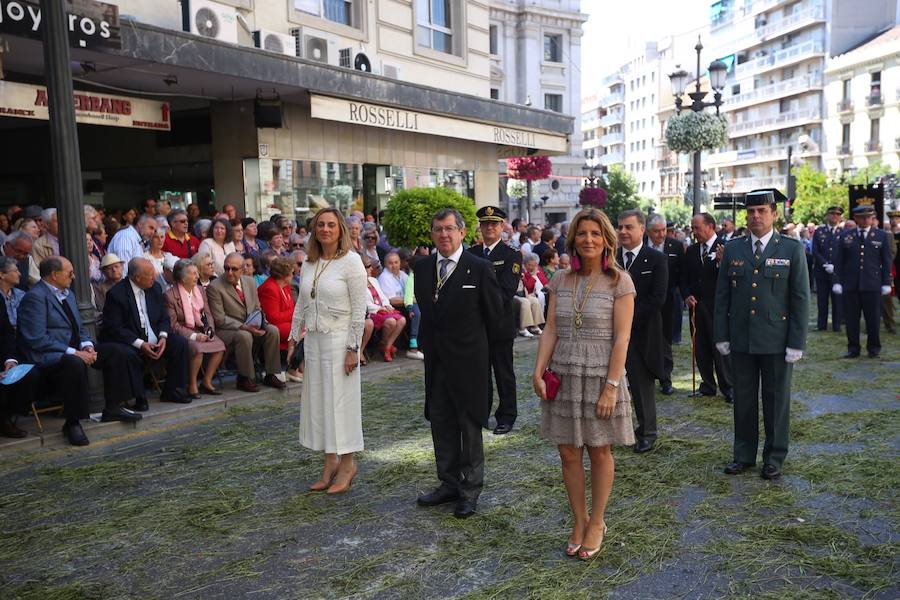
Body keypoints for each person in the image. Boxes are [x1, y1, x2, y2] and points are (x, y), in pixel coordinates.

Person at [532, 208, 636, 559]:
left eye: (595, 233)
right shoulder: (560, 280)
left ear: (606, 239)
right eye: (581, 233)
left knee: (600, 449)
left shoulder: (620, 281)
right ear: (572, 239)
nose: (588, 239)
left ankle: (598, 521)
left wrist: (611, 386)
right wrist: (538, 369)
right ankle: (579, 519)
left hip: (600, 374)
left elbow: (622, 339)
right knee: (567, 451)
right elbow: (551, 329)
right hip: (564, 372)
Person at [714, 188, 810, 480]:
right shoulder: (733, 248)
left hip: (776, 340)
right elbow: (722, 297)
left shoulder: (791, 249)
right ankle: (743, 455)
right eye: (751, 212)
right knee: (743, 399)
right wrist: (722, 334)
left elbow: (800, 299)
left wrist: (796, 342)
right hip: (741, 338)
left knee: (776, 400)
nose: (756, 216)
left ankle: (774, 457)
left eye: (762, 211)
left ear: (774, 214)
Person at [414, 208, 503, 519]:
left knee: (470, 426)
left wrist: (491, 363)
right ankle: (449, 483)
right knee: (441, 422)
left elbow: (495, 320)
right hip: (437, 364)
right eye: (438, 229)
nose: (444, 234)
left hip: (470, 365)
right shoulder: (423, 267)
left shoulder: (479, 268)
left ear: (463, 233)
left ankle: (470, 490)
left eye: (450, 228)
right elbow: (426, 314)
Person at [18, 257, 141, 445]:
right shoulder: (34, 297)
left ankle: (113, 407)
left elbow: (80, 326)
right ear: (54, 275)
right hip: (49, 355)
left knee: (118, 351)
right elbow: (36, 338)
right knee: (74, 363)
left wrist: (87, 345)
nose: (73, 276)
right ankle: (73, 422)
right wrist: (74, 352)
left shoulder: (68, 294)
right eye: (69, 272)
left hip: (74, 349)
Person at [287, 207, 367, 494]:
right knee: (320, 403)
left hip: (340, 340)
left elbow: (360, 309)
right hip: (316, 341)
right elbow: (302, 302)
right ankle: (329, 462)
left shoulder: (352, 261)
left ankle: (348, 464)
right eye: (320, 224)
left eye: (331, 225)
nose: (325, 229)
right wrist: (293, 338)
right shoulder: (310, 262)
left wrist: (352, 348)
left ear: (341, 228)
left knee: (341, 404)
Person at [100, 258, 190, 408]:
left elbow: (163, 317)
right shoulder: (116, 294)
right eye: (150, 275)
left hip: (154, 335)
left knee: (180, 344)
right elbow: (115, 328)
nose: (155, 278)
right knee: (129, 353)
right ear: (137, 277)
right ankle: (138, 395)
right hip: (131, 339)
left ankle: (171, 390)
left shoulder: (154, 288)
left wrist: (163, 336)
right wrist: (140, 344)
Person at [467, 206, 522, 434]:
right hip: (477, 326)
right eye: (485, 223)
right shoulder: (471, 254)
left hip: (499, 324)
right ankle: (481, 414)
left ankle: (506, 416)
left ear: (501, 227)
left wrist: (478, 299)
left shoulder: (511, 255)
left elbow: (507, 291)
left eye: (494, 224)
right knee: (479, 374)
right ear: (480, 227)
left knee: (503, 373)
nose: (489, 227)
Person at [616, 209, 667, 453]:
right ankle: (619, 429)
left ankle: (647, 431)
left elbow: (657, 298)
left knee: (641, 382)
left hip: (643, 332)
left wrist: (627, 319)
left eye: (629, 227)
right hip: (612, 333)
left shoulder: (655, 258)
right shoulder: (610, 258)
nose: (623, 232)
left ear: (641, 230)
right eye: (620, 227)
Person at [206, 253, 286, 393]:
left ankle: (271, 374)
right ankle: (245, 378)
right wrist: (245, 327)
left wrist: (261, 323)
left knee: (272, 330)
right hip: (227, 329)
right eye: (226, 268)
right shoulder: (215, 287)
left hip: (250, 324)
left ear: (243, 270)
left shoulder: (249, 281)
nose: (229, 272)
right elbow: (220, 318)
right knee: (244, 335)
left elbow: (256, 307)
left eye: (234, 269)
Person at [680, 213, 734, 402]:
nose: (694, 232)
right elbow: (684, 278)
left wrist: (722, 262)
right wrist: (686, 295)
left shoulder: (727, 247)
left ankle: (728, 387)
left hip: (717, 307)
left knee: (720, 348)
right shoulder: (693, 250)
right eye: (692, 228)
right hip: (697, 307)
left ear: (710, 226)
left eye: (697, 228)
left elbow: (733, 278)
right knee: (700, 347)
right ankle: (707, 385)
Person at [832, 205, 893, 358]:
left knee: (873, 319)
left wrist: (886, 282)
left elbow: (886, 262)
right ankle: (853, 348)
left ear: (872, 218)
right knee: (852, 319)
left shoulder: (881, 235)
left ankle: (873, 348)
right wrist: (837, 281)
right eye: (862, 217)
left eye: (868, 217)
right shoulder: (846, 235)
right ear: (856, 218)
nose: (865, 220)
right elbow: (838, 261)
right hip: (850, 284)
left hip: (872, 284)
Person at [164, 259, 226, 398]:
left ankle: (206, 381)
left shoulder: (199, 290)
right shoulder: (170, 296)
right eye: (193, 274)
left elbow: (208, 313)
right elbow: (173, 325)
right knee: (197, 348)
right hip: (184, 332)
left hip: (201, 328)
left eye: (197, 273)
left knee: (219, 345)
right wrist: (194, 336)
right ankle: (192, 385)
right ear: (182, 277)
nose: (197, 276)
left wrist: (209, 329)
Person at [646, 214, 683, 395]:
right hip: (644, 300)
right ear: (647, 231)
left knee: (665, 340)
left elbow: (682, 273)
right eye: (656, 231)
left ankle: (665, 378)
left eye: (663, 230)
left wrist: (686, 294)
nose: (661, 234)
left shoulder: (675, 246)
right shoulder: (641, 245)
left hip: (668, 300)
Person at [362, 258, 407, 362]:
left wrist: (387, 305)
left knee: (402, 320)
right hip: (372, 312)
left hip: (382, 309)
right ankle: (385, 345)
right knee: (391, 321)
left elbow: (383, 296)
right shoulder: (358, 284)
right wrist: (379, 308)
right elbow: (365, 304)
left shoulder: (373, 280)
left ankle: (387, 345)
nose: (371, 268)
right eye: (368, 266)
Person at [812, 206, 844, 332]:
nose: (834, 217)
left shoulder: (843, 233)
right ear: (827, 216)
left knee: (837, 300)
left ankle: (837, 325)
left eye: (837, 214)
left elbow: (844, 253)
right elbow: (815, 250)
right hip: (822, 271)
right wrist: (825, 264)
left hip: (837, 272)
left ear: (840, 217)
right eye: (832, 214)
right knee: (822, 300)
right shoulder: (819, 231)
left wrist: (835, 266)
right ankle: (822, 325)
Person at [258, 256, 296, 356]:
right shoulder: (270, 288)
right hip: (272, 326)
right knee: (301, 331)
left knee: (307, 327)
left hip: (285, 322)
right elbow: (273, 318)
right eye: (292, 273)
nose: (293, 275)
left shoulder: (285, 285)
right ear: (284, 275)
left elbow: (290, 307)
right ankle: (294, 366)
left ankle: (298, 366)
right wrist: (294, 313)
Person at [92, 253, 125, 317]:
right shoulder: (100, 289)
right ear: (103, 272)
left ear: (122, 267)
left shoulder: (128, 284)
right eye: (110, 268)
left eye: (116, 266)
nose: (114, 270)